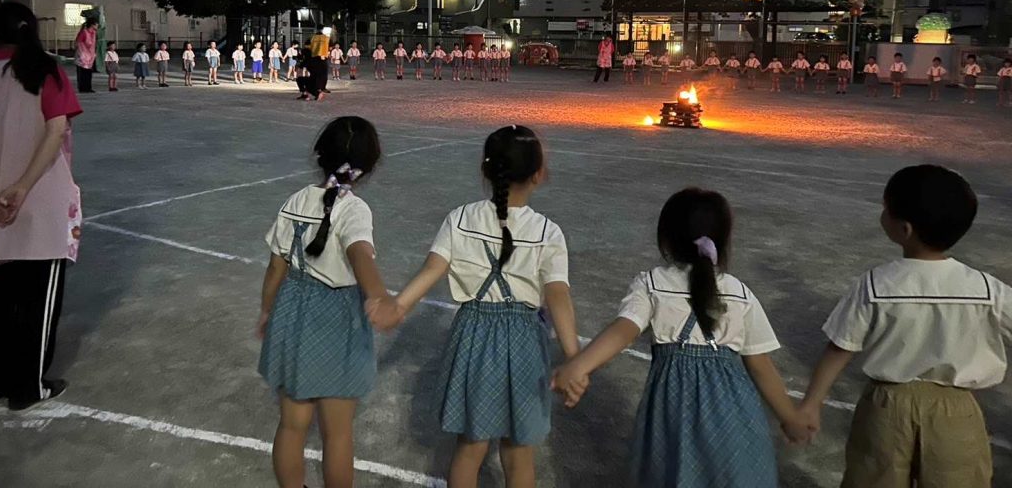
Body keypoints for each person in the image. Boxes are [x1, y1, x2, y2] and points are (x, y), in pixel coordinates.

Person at [552, 188, 808, 487]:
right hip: (735, 419)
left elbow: (623, 329)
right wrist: (790, 417)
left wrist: (578, 366)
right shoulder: (740, 293)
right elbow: (760, 364)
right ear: (724, 241)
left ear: (666, 239)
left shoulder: (653, 284)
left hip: (675, 417)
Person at [370, 125, 580, 487]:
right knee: (518, 454)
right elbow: (558, 294)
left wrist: (398, 304)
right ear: (538, 173)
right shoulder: (548, 232)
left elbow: (434, 267)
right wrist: (576, 358)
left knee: (469, 448)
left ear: (485, 169)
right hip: (524, 343)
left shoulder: (461, 218)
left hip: (473, 337)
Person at [795, 165, 1009, 488]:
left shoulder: (875, 283)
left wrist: (811, 405)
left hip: (886, 406)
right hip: (957, 411)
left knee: (873, 478)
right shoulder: (987, 288)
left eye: (885, 208)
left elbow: (840, 347)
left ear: (903, 229)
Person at [257, 116, 388, 488]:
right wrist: (379, 295)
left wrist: (268, 310)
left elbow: (274, 267)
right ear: (369, 167)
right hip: (337, 318)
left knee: (292, 425)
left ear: (320, 156)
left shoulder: (296, 199)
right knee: (338, 433)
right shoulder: (354, 209)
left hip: (292, 309)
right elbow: (360, 253)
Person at [0, 1, 83, 411]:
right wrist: (23, 186)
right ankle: (29, 386)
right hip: (41, 200)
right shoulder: (46, 71)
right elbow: (56, 129)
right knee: (38, 299)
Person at [73, 15, 98, 94]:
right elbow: (77, 43)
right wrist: (81, 53)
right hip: (82, 56)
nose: (97, 26)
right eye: (96, 24)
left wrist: (94, 53)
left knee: (88, 73)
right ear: (92, 24)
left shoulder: (94, 33)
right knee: (82, 73)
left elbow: (93, 44)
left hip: (90, 57)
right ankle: (82, 88)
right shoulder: (84, 32)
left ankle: (88, 87)